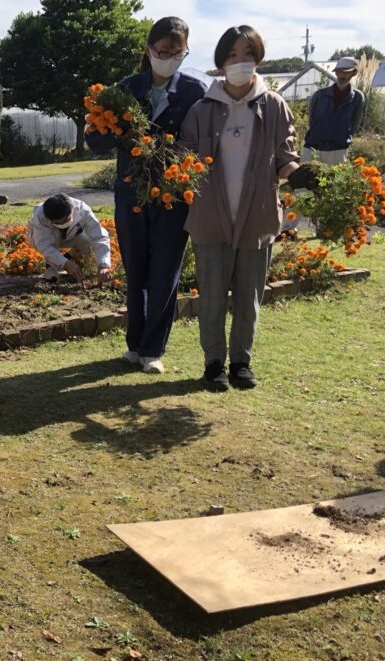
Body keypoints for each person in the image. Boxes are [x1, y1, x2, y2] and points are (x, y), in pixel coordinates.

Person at [180, 25, 305, 391]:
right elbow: (184, 158)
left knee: (249, 297)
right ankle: (214, 363)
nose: (240, 63)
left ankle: (242, 364)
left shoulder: (274, 106)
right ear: (221, 62)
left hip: (258, 215)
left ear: (258, 60)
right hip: (210, 218)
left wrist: (299, 175)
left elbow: (286, 155)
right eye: (233, 56)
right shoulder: (202, 109)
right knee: (213, 295)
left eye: (248, 56)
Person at [85, 17, 207, 374]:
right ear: (149, 50)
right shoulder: (126, 88)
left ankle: (154, 348)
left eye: (176, 52)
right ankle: (134, 345)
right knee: (136, 268)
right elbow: (95, 140)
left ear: (185, 52)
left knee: (165, 271)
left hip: (173, 194)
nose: (169, 57)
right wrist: (114, 128)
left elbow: (204, 142)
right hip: (131, 191)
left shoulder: (195, 91)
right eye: (162, 51)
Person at [27, 193, 112, 284]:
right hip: (45, 238)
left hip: (72, 235)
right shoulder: (40, 216)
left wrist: (103, 265)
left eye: (66, 220)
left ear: (72, 210)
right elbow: (45, 246)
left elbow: (99, 236)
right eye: (58, 223)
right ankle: (52, 266)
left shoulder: (83, 210)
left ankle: (68, 257)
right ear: (49, 219)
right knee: (52, 272)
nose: (62, 224)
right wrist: (66, 264)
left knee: (88, 242)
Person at [302, 56, 365, 166]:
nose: (342, 76)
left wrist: (343, 138)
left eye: (346, 72)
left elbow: (355, 124)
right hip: (313, 147)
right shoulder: (319, 95)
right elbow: (311, 121)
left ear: (354, 73)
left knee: (333, 182)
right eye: (339, 72)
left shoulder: (358, 97)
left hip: (338, 149)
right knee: (305, 182)